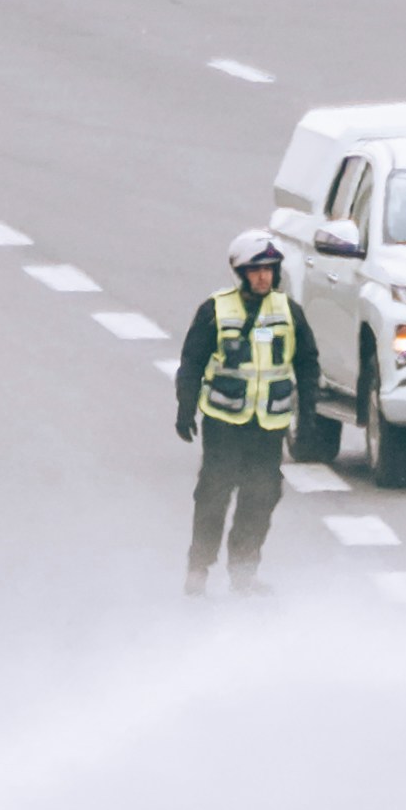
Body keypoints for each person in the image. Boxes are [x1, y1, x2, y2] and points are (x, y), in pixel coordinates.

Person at [174, 230, 318, 599]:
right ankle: (198, 568)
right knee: (213, 495)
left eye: (270, 269)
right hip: (224, 423)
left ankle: (244, 571)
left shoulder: (289, 312)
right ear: (240, 273)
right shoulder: (215, 311)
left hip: (268, 426)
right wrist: (185, 408)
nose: (263, 277)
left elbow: (308, 364)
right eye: (255, 270)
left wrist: (311, 415)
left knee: (262, 496)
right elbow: (192, 361)